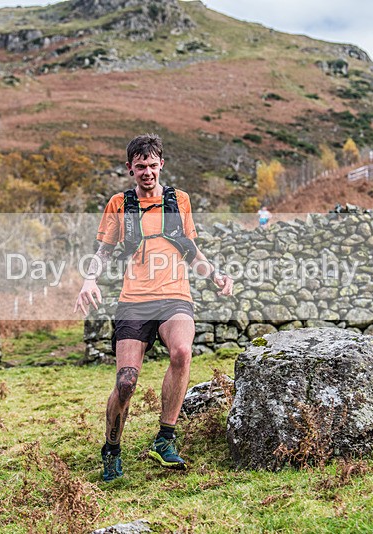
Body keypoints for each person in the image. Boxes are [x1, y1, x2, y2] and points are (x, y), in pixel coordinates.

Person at [74, 133, 234, 482]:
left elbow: (192, 252)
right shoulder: (120, 203)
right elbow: (102, 252)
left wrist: (216, 275)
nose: (147, 172)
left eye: (152, 165)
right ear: (130, 168)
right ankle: (112, 449)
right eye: (140, 166)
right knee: (127, 381)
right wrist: (89, 280)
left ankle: (165, 438)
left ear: (161, 164)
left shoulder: (180, 201)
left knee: (181, 352)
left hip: (176, 296)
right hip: (134, 301)